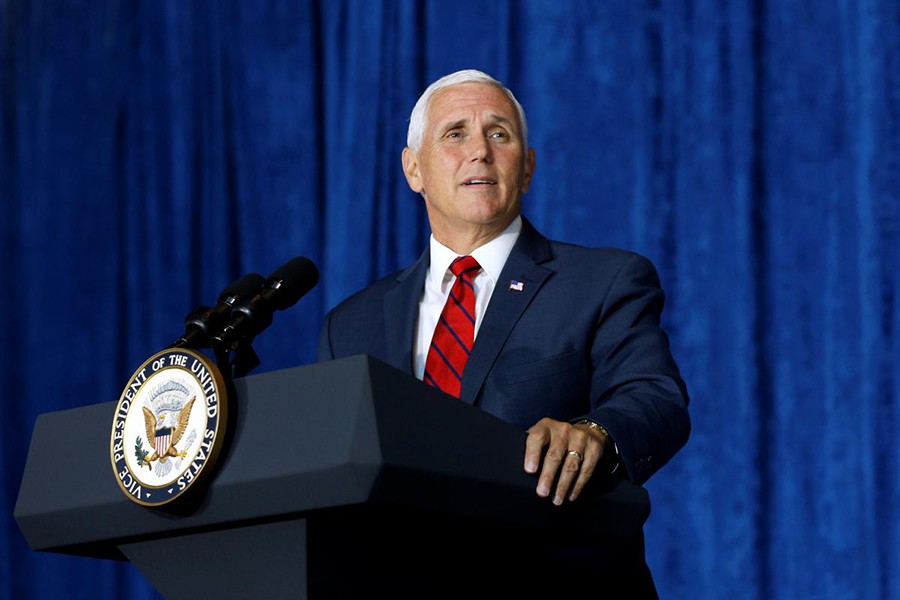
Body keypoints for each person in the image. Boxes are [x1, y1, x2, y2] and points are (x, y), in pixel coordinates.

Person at [317, 69, 690, 598]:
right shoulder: (349, 325)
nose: (480, 152)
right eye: (455, 134)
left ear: (528, 166)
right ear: (413, 169)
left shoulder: (604, 282)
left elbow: (655, 398)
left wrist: (595, 433)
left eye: (499, 133)